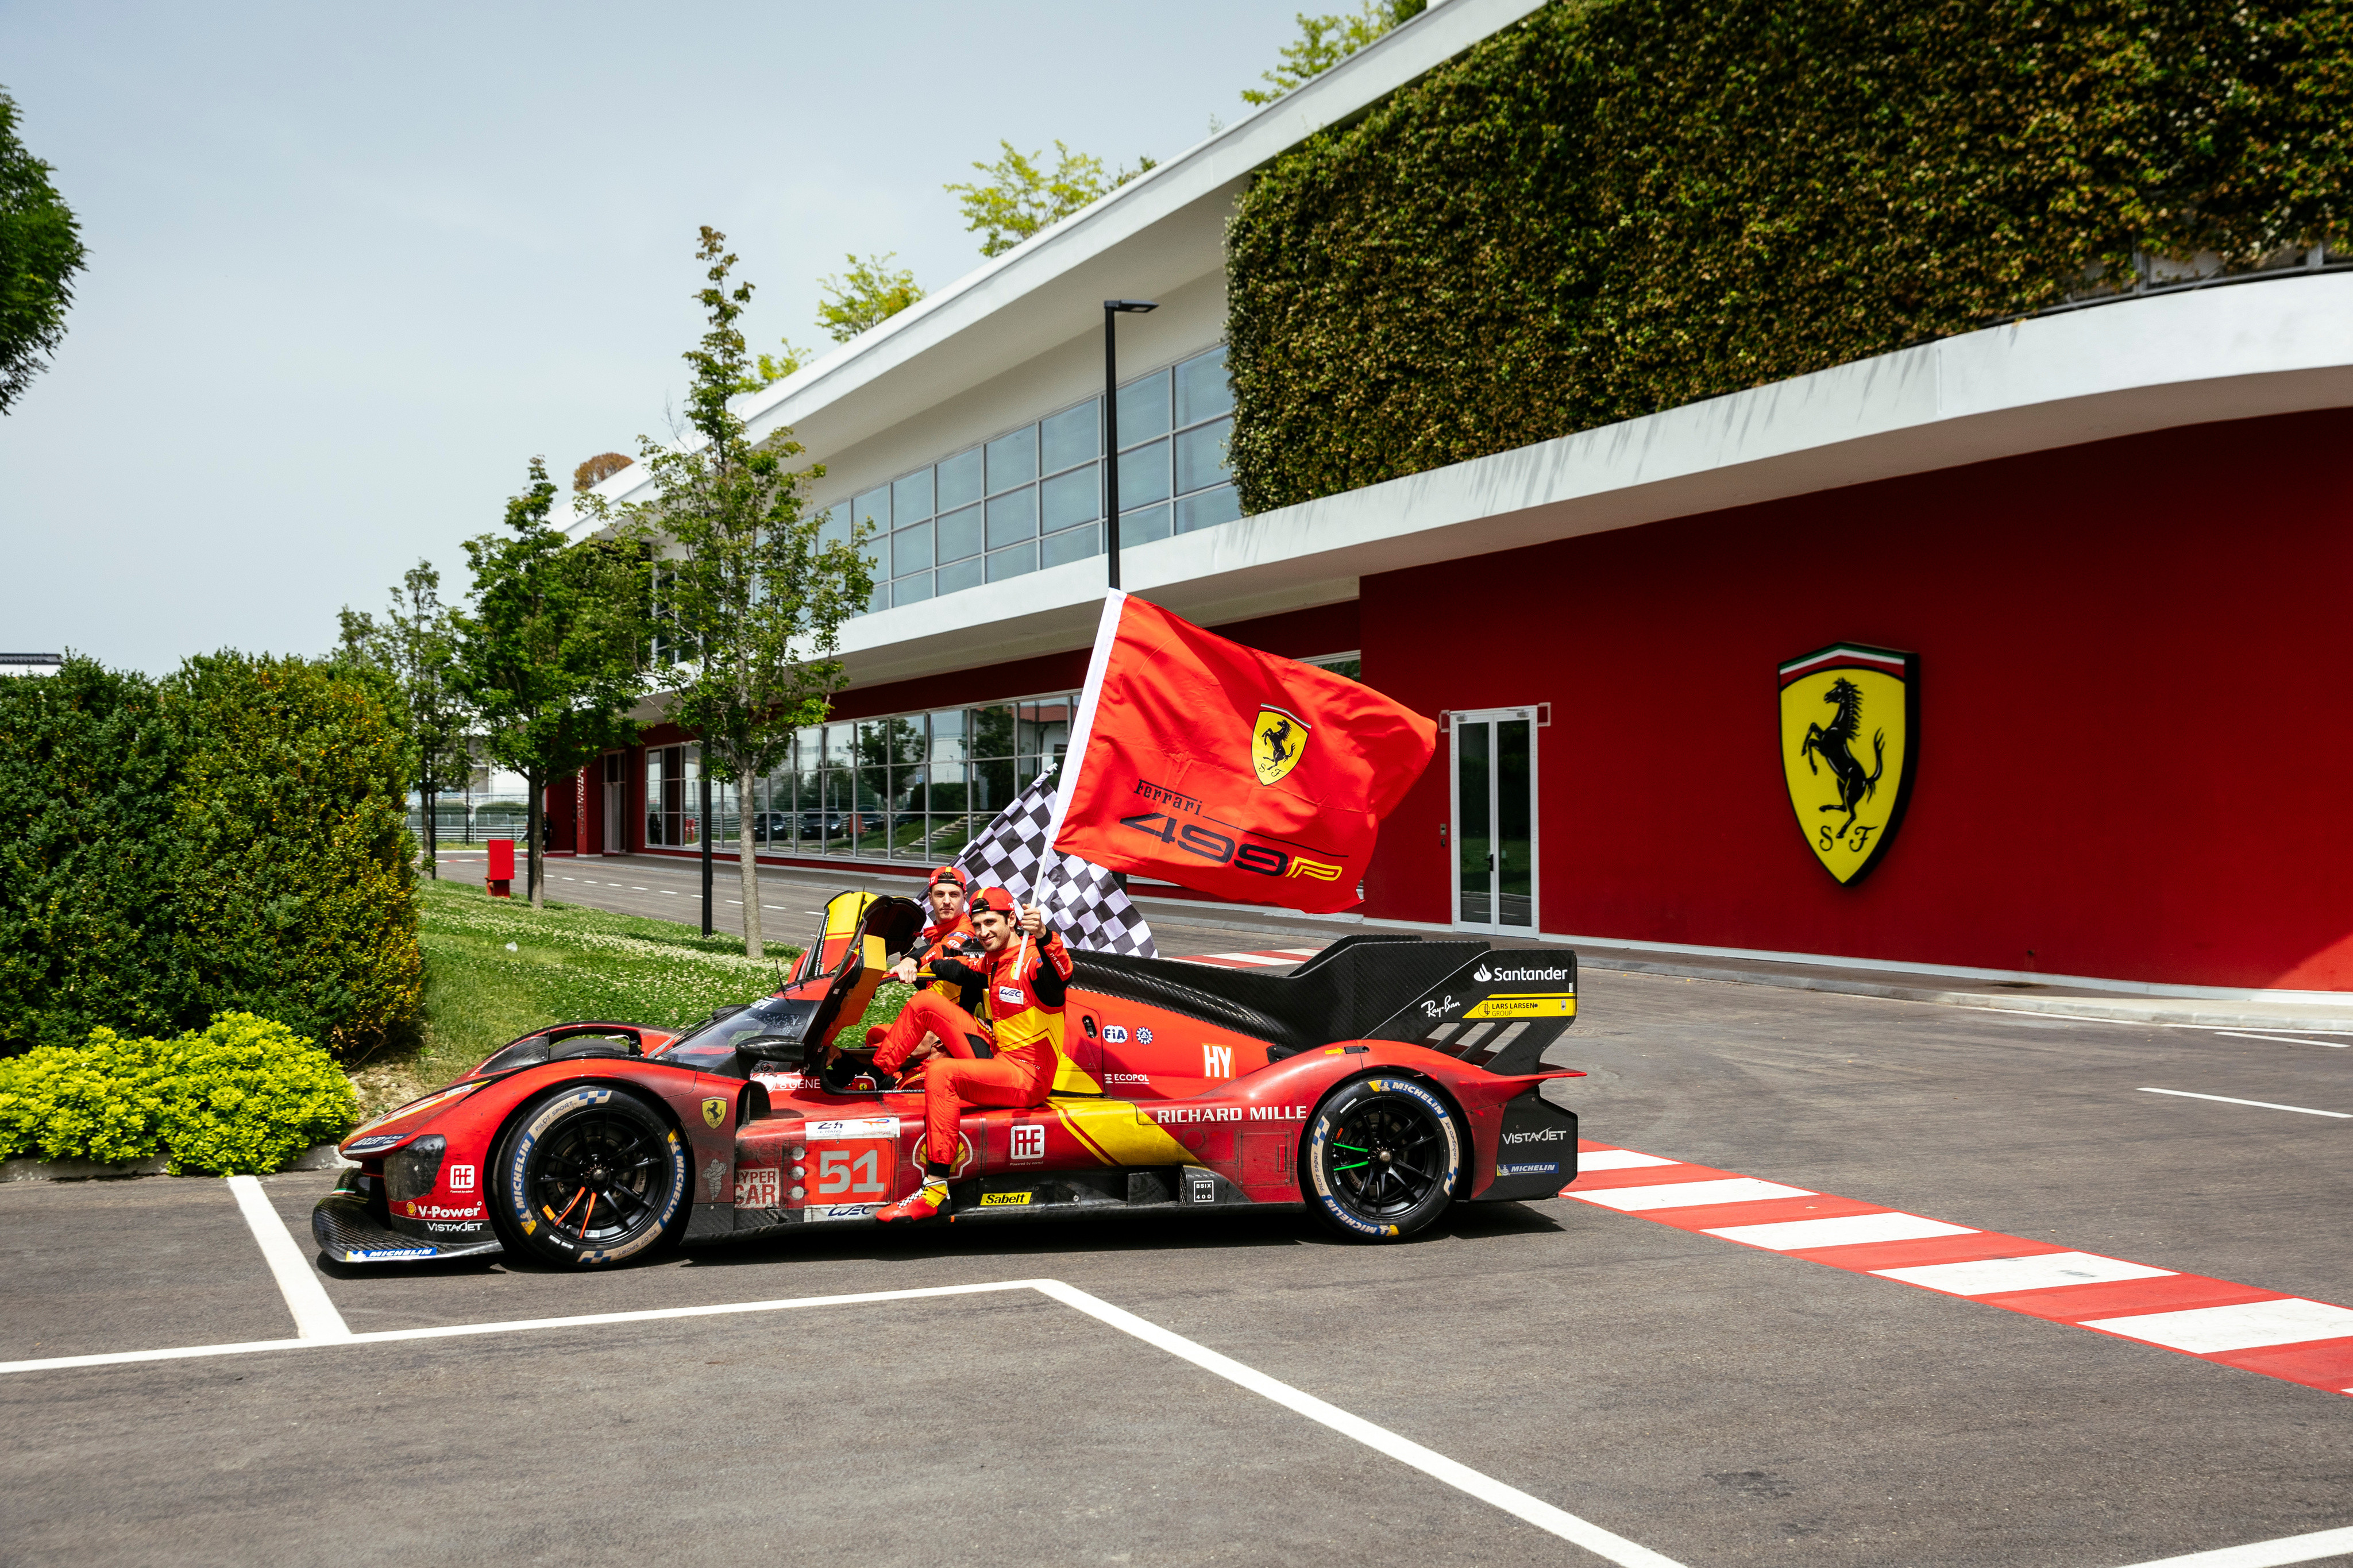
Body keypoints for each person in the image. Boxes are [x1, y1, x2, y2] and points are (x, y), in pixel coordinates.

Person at [871, 886, 1070, 1223]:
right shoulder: (993, 961)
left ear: (1012, 920)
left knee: (941, 1072)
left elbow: (1062, 975)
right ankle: (876, 1077)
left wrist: (1047, 935)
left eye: (991, 922)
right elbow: (953, 964)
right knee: (924, 1004)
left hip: (1028, 1078)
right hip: (999, 1057)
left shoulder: (1034, 961)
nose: (983, 932)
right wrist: (909, 962)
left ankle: (935, 1191)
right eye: (977, 924)